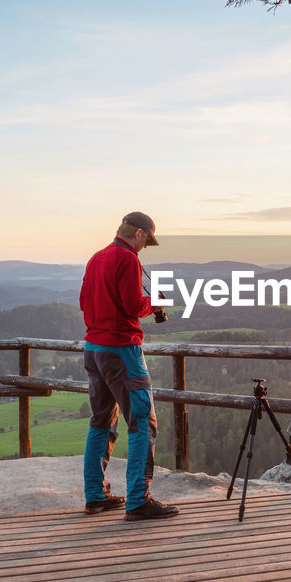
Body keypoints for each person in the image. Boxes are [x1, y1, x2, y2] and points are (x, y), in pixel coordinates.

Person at [79, 211, 180, 520]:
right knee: (142, 423)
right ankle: (138, 499)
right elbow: (134, 306)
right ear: (138, 234)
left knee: (101, 421)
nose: (144, 248)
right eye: (146, 241)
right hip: (121, 350)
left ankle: (96, 496)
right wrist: (155, 305)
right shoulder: (127, 260)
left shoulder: (97, 258)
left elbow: (85, 301)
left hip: (94, 349)